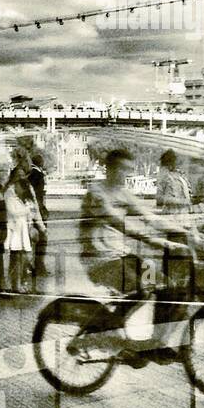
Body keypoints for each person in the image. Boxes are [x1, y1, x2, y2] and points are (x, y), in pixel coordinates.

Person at [79, 148, 185, 350]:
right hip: (99, 259)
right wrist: (157, 242)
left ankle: (157, 343)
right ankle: (109, 334)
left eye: (129, 169)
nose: (126, 174)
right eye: (122, 169)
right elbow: (118, 222)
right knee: (139, 289)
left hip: (121, 256)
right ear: (109, 168)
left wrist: (185, 231)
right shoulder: (96, 193)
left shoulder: (123, 193)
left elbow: (150, 218)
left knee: (165, 286)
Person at [156, 150, 193, 300]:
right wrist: (183, 202)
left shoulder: (181, 176)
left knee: (177, 253)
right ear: (171, 161)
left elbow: (188, 195)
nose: (181, 162)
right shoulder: (165, 176)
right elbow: (159, 199)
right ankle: (173, 285)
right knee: (175, 252)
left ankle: (175, 283)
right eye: (178, 159)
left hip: (184, 220)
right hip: (173, 220)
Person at [4, 161, 44, 294]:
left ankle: (22, 282)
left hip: (27, 227)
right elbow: (13, 211)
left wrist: (40, 226)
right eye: (18, 175)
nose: (21, 177)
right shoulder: (9, 191)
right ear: (13, 176)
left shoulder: (28, 189)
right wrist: (27, 210)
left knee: (27, 258)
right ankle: (15, 284)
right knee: (16, 257)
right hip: (15, 228)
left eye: (23, 175)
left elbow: (35, 209)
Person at [27, 151, 49, 278]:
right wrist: (42, 210)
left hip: (33, 209)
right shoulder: (38, 175)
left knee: (32, 238)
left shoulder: (30, 174)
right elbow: (38, 195)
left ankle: (31, 266)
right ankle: (39, 266)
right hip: (37, 210)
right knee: (42, 238)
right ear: (41, 162)